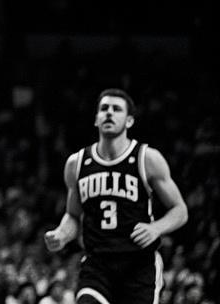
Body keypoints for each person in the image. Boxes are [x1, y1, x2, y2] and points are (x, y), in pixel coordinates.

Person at [44, 88, 189, 304]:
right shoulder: (77, 163)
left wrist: (156, 228)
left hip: (138, 266)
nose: (109, 113)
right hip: (98, 264)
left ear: (129, 121)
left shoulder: (147, 158)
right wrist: (62, 234)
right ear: (96, 119)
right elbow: (73, 215)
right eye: (104, 109)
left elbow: (180, 210)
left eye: (116, 109)